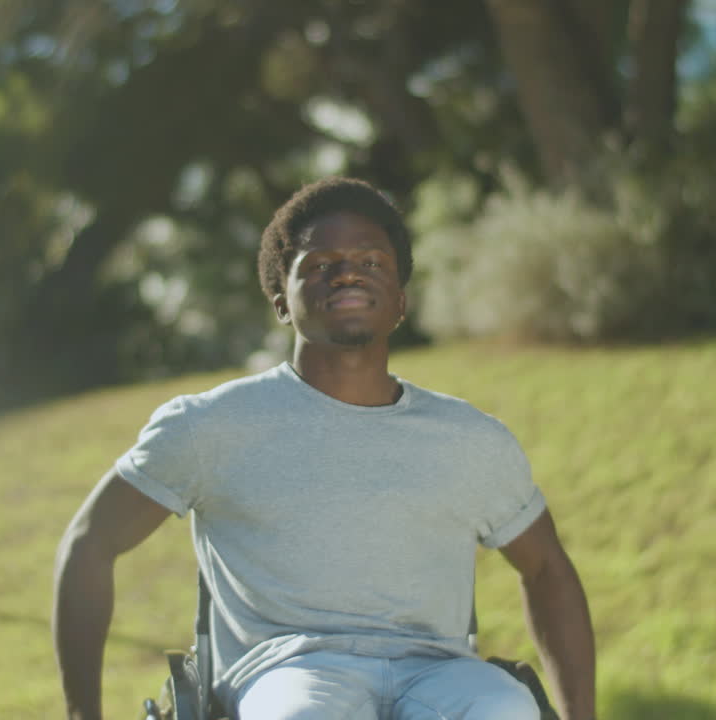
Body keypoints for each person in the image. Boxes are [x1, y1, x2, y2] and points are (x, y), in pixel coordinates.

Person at [53, 177, 596, 720]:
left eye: (372, 261)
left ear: (400, 303)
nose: (348, 271)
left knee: (504, 709)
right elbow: (88, 543)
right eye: (318, 264)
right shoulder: (208, 426)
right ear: (281, 302)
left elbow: (547, 568)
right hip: (287, 673)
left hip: (441, 673)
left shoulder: (472, 440)